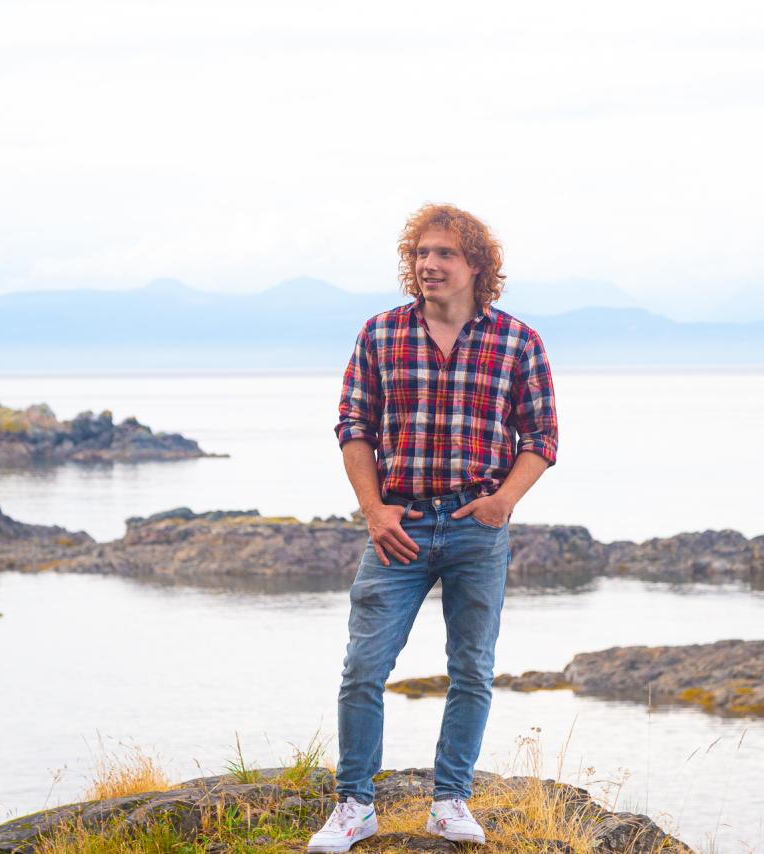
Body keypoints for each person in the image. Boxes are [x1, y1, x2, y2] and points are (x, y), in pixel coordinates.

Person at [308, 203, 559, 852]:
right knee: (364, 665)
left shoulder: (517, 342)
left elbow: (541, 437)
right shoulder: (380, 335)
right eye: (420, 254)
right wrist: (374, 509)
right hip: (401, 527)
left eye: (444, 253)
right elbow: (353, 428)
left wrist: (504, 499)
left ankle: (450, 802)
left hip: (478, 529)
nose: (428, 264)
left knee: (471, 669)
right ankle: (355, 805)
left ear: (477, 264)